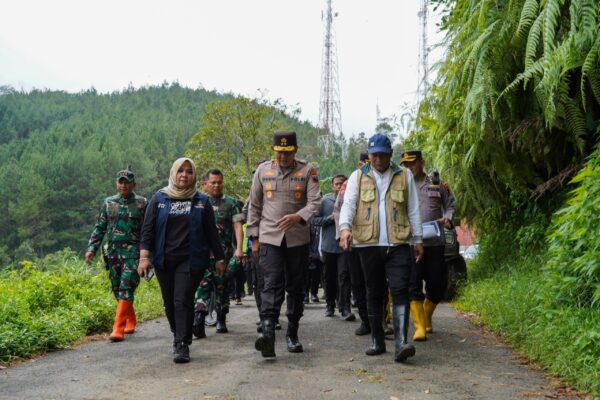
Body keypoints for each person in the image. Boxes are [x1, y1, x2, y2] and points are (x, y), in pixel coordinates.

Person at [339, 133, 424, 363]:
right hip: (368, 244)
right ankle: (377, 340)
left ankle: (400, 343)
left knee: (400, 290)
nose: (377, 159)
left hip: (398, 242)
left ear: (390, 155)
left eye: (382, 155)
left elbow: (414, 209)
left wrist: (418, 240)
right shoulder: (357, 177)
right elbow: (348, 205)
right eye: (373, 155)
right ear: (368, 155)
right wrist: (345, 229)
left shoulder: (404, 175)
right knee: (373, 292)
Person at [137, 157, 225, 363]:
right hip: (163, 259)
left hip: (191, 259)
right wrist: (144, 257)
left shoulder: (201, 201)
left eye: (189, 171)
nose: (184, 175)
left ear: (194, 175)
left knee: (182, 299)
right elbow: (148, 230)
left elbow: (212, 233)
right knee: (169, 303)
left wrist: (220, 258)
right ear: (173, 173)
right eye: (180, 171)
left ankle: (182, 343)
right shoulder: (159, 198)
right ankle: (178, 333)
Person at [247, 130, 321, 357]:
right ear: (274, 150)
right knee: (270, 283)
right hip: (269, 237)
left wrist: (298, 217)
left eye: (288, 152)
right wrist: (254, 238)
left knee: (296, 287)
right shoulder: (263, 171)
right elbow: (255, 206)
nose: (283, 157)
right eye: (279, 152)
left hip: (297, 239)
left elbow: (315, 202)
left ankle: (292, 333)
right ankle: (268, 333)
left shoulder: (307, 171)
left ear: (295, 150)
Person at [86, 169, 147, 342]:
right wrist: (92, 248)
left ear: (134, 184)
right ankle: (130, 320)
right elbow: (100, 227)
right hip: (113, 253)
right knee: (117, 289)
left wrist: (147, 255)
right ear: (116, 184)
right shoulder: (108, 203)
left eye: (127, 182)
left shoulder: (142, 203)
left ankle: (117, 329)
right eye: (120, 182)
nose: (123, 185)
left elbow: (149, 230)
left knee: (126, 286)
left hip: (134, 253)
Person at [401, 150, 456, 340]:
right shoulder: (400, 185)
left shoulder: (437, 183)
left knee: (437, 284)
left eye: (413, 163)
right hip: (409, 242)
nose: (409, 167)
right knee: (413, 283)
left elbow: (450, 205)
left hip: (434, 242)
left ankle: (426, 315)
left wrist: (447, 218)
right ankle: (419, 327)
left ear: (422, 162)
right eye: (406, 165)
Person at [192, 170, 244, 336]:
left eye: (219, 182)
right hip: (202, 253)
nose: (216, 185)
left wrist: (239, 249)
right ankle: (199, 318)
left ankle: (221, 318)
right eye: (213, 182)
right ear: (204, 184)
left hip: (223, 254)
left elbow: (238, 226)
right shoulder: (197, 202)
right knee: (202, 286)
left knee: (221, 287)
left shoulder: (231, 203)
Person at [333, 154, 370, 336]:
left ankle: (380, 319)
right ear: (360, 164)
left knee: (376, 282)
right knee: (356, 280)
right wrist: (341, 234)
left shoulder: (384, 180)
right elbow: (339, 210)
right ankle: (365, 319)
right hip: (354, 240)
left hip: (375, 241)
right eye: (367, 163)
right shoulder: (349, 184)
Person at [313, 174, 355, 321]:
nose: (339, 186)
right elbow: (314, 220)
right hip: (328, 246)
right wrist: (329, 218)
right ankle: (330, 305)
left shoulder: (351, 199)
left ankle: (345, 308)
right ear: (332, 186)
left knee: (344, 276)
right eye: (337, 184)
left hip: (345, 246)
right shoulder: (325, 201)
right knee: (329, 277)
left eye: (342, 183)